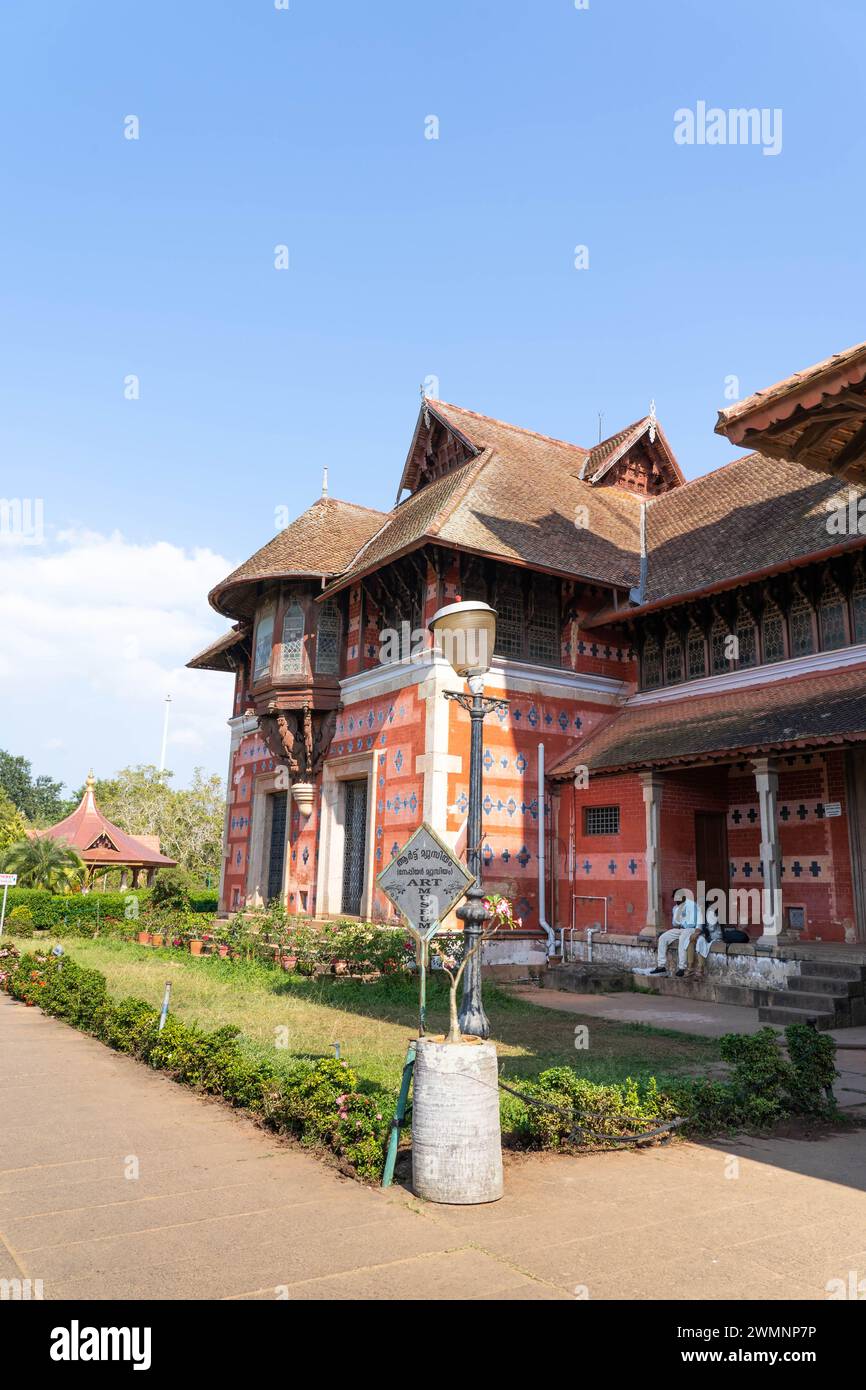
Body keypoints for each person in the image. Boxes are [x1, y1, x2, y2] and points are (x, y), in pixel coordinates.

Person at [649, 894, 703, 977]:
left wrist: (697, 932)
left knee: (683, 938)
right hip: (681, 929)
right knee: (663, 938)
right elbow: (675, 923)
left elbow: (699, 919)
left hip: (691, 929)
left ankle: (682, 968)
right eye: (675, 899)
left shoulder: (693, 905)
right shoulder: (675, 908)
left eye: (678, 898)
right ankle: (661, 966)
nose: (677, 901)